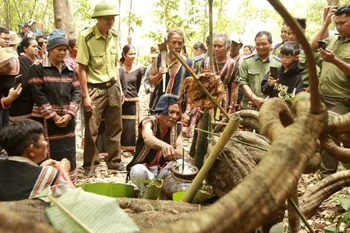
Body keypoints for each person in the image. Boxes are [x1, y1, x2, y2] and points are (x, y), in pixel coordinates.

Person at [76, 2, 125, 174]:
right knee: (91, 130)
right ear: (97, 19)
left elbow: (115, 64)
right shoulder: (86, 36)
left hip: (112, 86)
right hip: (94, 87)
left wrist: (119, 88)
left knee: (115, 126)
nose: (110, 21)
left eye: (112, 18)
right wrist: (85, 95)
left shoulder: (114, 36)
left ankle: (114, 161)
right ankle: (90, 164)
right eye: (106, 18)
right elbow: (81, 68)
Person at [28, 30, 81, 182]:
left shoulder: (69, 69)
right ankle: (47, 185)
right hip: (45, 120)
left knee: (68, 152)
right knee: (46, 153)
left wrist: (69, 114)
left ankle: (67, 184)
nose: (63, 53)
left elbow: (77, 92)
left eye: (65, 50)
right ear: (50, 49)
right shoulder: (37, 68)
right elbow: (38, 95)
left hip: (67, 120)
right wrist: (54, 116)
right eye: (59, 49)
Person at [310, 5, 350, 178]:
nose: (339, 26)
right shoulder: (333, 38)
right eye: (337, 23)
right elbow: (312, 45)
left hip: (342, 98)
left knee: (339, 137)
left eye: (343, 23)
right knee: (325, 136)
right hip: (323, 96)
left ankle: (333, 176)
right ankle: (327, 175)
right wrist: (325, 24)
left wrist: (334, 60)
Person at [0, 119, 74, 201]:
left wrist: (40, 168)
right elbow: (76, 201)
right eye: (43, 140)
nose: (46, 143)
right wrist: (63, 172)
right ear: (31, 149)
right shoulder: (50, 174)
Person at [126, 94, 182, 195]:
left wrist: (173, 153)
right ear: (162, 110)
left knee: (181, 165)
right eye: (171, 112)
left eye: (178, 114)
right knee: (138, 171)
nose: (175, 117)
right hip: (145, 169)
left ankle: (165, 192)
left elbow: (181, 153)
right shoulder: (148, 122)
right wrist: (164, 146)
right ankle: (145, 194)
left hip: (163, 171)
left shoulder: (177, 128)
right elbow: (148, 139)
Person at [148, 29, 193, 114]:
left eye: (180, 43)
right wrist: (159, 75)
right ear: (168, 43)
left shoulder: (189, 63)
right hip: (158, 107)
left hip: (178, 109)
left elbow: (190, 90)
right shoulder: (159, 59)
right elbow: (150, 80)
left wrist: (188, 109)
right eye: (174, 42)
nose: (177, 46)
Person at [239, 31, 281, 110]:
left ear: (270, 43)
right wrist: (255, 99)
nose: (260, 47)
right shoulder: (246, 61)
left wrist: (266, 101)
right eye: (258, 44)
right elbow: (243, 82)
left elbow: (280, 86)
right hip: (250, 105)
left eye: (264, 44)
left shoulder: (278, 63)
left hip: (270, 107)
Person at [5, 37, 39, 122]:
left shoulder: (37, 62)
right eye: (33, 46)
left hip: (32, 109)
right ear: (25, 48)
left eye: (37, 47)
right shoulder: (20, 61)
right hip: (19, 110)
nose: (36, 49)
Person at [120, 45, 144, 155]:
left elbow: (138, 85)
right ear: (124, 55)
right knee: (119, 122)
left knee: (130, 124)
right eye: (130, 54)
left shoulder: (139, 69)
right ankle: (118, 147)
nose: (132, 56)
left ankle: (130, 148)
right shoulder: (118, 68)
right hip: (119, 100)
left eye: (134, 54)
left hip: (132, 99)